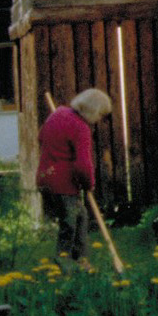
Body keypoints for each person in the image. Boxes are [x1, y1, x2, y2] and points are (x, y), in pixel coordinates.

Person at [37, 89, 112, 262]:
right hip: (63, 184)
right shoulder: (81, 128)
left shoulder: (58, 114)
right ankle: (64, 264)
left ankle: (81, 261)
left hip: (45, 178)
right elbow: (83, 165)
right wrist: (89, 184)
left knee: (79, 217)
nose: (99, 120)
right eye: (101, 115)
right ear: (93, 111)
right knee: (70, 224)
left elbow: (40, 137)